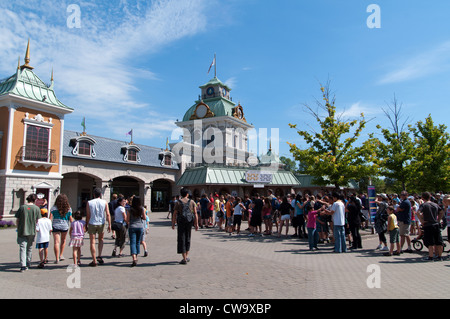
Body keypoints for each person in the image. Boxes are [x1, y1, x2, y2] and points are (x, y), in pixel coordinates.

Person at [415, 192, 445, 261]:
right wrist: (438, 219)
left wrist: (422, 221)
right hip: (436, 224)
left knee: (430, 242)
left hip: (428, 224)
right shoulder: (435, 204)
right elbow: (441, 212)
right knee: (438, 241)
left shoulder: (423, 205)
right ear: (430, 197)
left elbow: (418, 213)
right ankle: (440, 256)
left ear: (422, 197)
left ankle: (430, 256)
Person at [15, 194, 41, 272]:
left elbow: (17, 219)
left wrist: (18, 227)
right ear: (35, 200)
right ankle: (28, 262)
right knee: (29, 247)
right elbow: (37, 221)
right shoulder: (36, 208)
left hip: (22, 230)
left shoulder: (22, 207)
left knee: (22, 248)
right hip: (32, 231)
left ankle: (23, 265)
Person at [85, 188, 111, 267]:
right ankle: (99, 255)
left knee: (92, 242)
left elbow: (88, 215)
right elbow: (108, 214)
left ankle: (94, 260)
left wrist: (86, 224)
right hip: (101, 223)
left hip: (92, 222)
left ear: (93, 195)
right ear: (100, 195)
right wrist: (109, 224)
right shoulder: (104, 202)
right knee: (101, 240)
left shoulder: (89, 202)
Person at [172, 189, 198, 264]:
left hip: (181, 221)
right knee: (188, 237)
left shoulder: (178, 202)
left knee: (181, 238)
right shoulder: (192, 201)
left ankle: (184, 258)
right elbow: (195, 213)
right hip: (189, 221)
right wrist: (196, 224)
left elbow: (174, 213)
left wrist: (173, 223)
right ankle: (186, 256)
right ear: (187, 194)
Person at [49, 194, 73, 263]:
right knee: (63, 240)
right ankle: (61, 255)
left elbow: (50, 218)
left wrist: (49, 227)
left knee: (56, 242)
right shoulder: (68, 208)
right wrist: (73, 226)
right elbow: (70, 219)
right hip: (65, 226)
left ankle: (56, 258)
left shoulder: (54, 208)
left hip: (55, 225)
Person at [126, 197, 146, 267]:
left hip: (132, 227)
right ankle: (136, 256)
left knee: (132, 242)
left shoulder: (129, 209)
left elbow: (127, 220)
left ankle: (134, 257)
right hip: (140, 226)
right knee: (138, 242)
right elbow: (144, 218)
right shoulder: (142, 208)